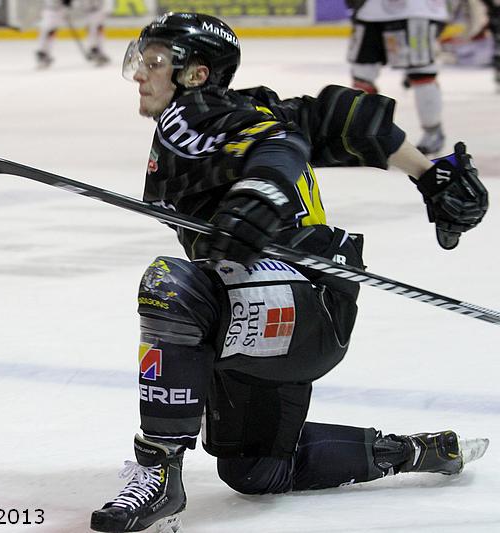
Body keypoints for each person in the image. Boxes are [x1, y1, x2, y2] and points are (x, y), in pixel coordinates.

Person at [89, 12, 490, 533]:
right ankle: (413, 452)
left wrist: (258, 199)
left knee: (173, 286)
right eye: (139, 62)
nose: (141, 75)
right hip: (297, 312)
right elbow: (346, 115)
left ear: (196, 74)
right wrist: (430, 175)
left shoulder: (190, 118)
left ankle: (158, 469)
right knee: (256, 470)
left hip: (299, 297)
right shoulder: (251, 108)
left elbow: (278, 150)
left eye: (156, 63)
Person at [347, 0, 450, 154]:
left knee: (421, 73)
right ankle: (364, 135)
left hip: (416, 10)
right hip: (370, 11)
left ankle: (433, 131)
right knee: (362, 75)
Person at [35, 0, 110, 68]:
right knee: (49, 29)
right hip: (53, 8)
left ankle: (96, 49)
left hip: (92, 8)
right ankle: (42, 52)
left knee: (96, 27)